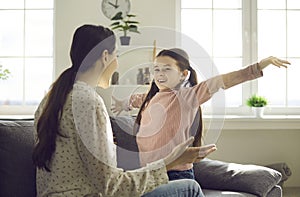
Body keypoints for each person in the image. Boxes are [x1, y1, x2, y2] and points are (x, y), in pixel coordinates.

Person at [31, 24, 217, 197]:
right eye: (116, 56)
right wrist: (171, 162)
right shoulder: (88, 102)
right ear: (105, 57)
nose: (117, 64)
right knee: (190, 187)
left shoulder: (50, 99)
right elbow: (112, 186)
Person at [112, 48, 290, 181]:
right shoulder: (151, 98)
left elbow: (221, 81)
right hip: (150, 172)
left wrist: (258, 66)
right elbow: (135, 100)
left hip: (175, 173)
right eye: (156, 69)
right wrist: (123, 104)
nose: (159, 74)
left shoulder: (186, 97)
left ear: (184, 75)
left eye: (166, 69)